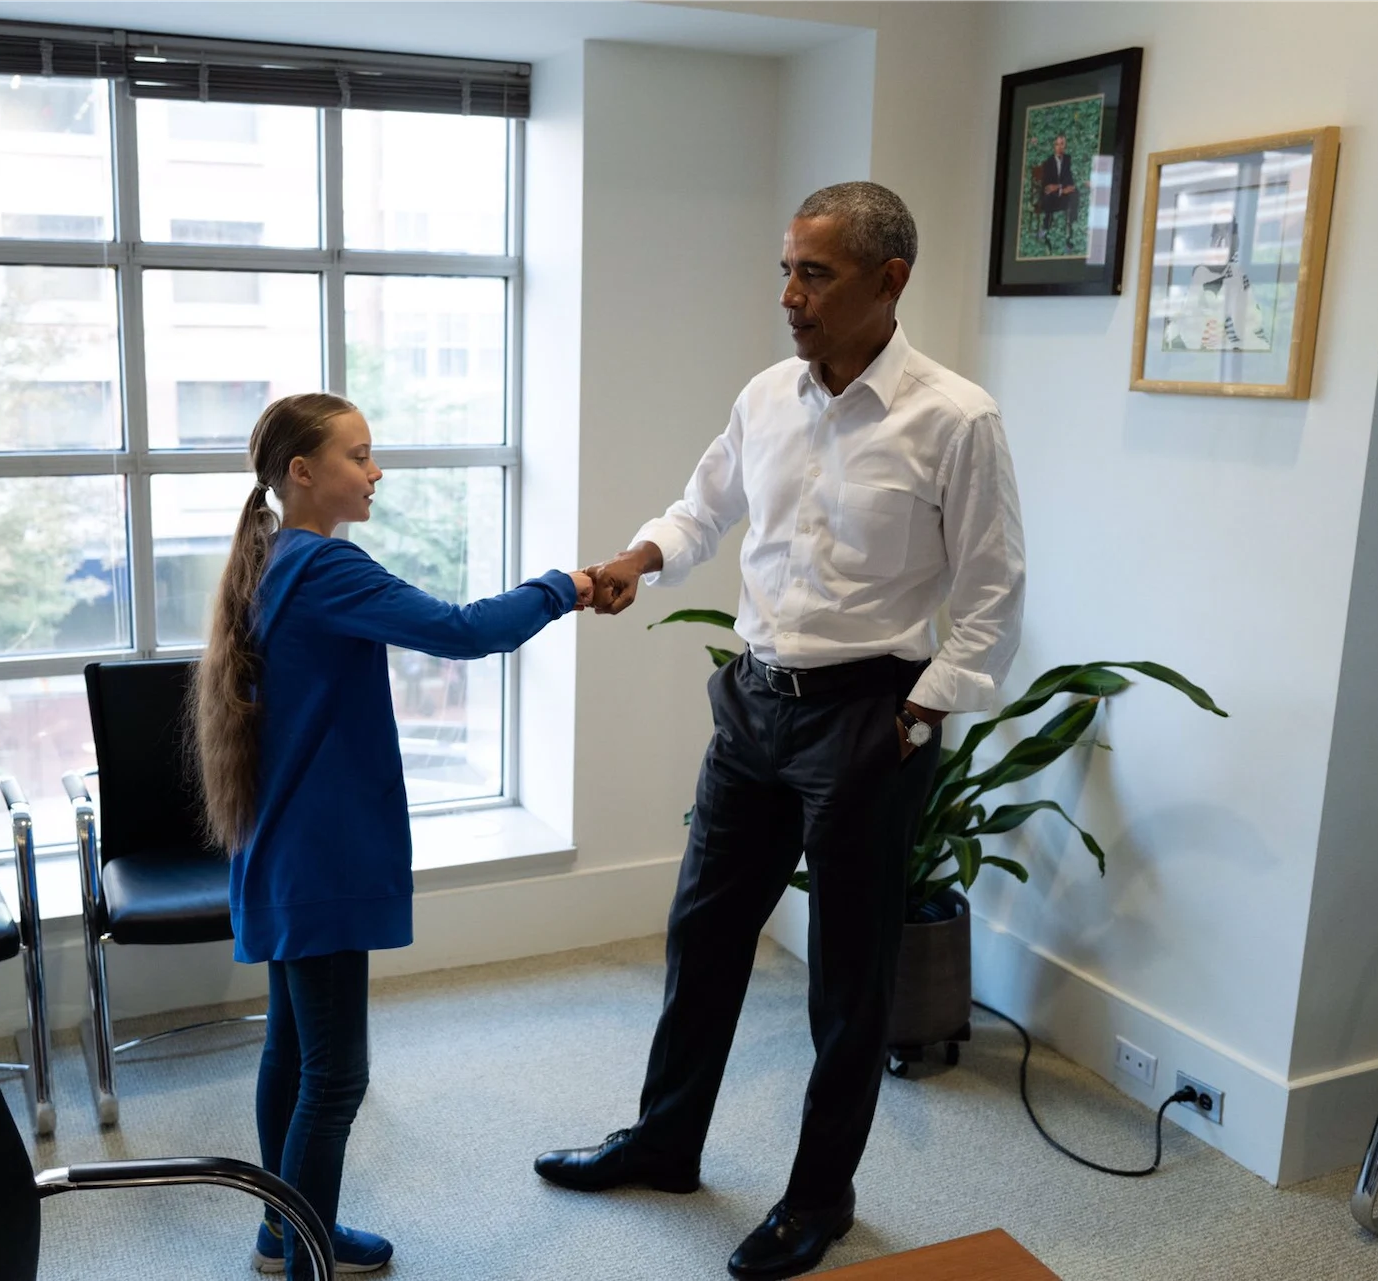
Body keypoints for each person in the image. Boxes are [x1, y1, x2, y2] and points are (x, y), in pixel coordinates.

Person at [536, 182, 1024, 1280]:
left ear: (890, 281)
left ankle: (820, 1200)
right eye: (786, 271)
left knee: (846, 983)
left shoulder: (956, 418)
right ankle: (667, 1143)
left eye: (817, 274)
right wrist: (637, 560)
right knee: (702, 936)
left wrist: (921, 712)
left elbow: (993, 590)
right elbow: (703, 507)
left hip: (870, 719)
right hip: (754, 707)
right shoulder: (766, 396)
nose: (791, 296)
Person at [194, 392, 592, 1279]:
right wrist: (562, 588)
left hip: (284, 848)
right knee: (334, 1078)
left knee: (291, 1052)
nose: (377, 472)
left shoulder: (272, 558)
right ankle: (306, 1259)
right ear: (304, 473)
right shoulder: (325, 570)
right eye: (360, 456)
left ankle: (284, 1233)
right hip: (320, 857)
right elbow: (461, 631)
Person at [1038, 133, 1079, 251]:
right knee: (1049, 194)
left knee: (1075, 192)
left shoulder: (1067, 159)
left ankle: (1071, 226)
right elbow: (1047, 186)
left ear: (1065, 146)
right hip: (1051, 196)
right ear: (1053, 146)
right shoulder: (1048, 163)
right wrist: (1061, 188)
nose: (1060, 147)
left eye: (1062, 144)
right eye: (1057, 144)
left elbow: (1068, 179)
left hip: (1063, 194)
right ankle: (1046, 228)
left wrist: (1063, 188)